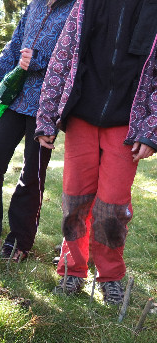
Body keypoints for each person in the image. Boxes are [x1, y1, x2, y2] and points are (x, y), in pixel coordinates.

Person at [36, 0, 157, 304]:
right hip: (82, 116)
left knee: (112, 208)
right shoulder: (86, 4)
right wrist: (47, 117)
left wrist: (150, 130)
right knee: (75, 200)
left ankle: (111, 276)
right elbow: (61, 59)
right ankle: (72, 270)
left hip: (127, 125)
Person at [0, 0, 75, 262]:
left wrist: (36, 60)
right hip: (16, 100)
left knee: (31, 176)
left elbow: (74, 59)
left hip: (46, 107)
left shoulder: (77, 8)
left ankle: (19, 241)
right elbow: (14, 46)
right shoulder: (35, 5)